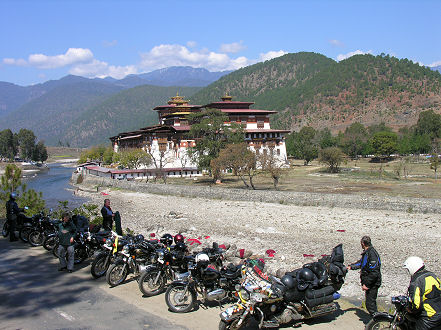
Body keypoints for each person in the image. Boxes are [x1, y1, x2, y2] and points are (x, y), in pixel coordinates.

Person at [404, 256, 441, 329]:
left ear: (412, 267)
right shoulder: (432, 275)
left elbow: (416, 305)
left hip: (430, 317)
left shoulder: (416, 281)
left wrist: (410, 309)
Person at [348, 236, 381, 316]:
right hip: (369, 282)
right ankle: (374, 321)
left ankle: (376, 323)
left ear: (363, 243)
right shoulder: (367, 252)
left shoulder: (372, 254)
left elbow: (374, 272)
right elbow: (362, 263)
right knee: (369, 303)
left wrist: (367, 284)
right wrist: (351, 267)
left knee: (370, 305)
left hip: (373, 283)